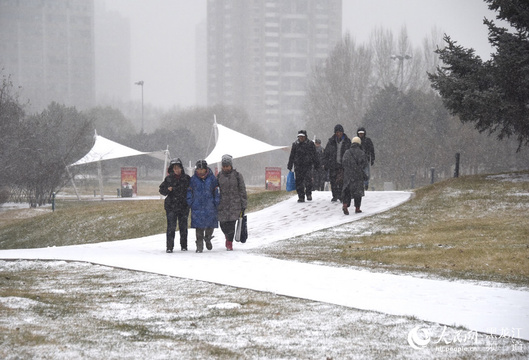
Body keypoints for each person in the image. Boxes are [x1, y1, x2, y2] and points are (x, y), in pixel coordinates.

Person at [186, 159, 220, 253]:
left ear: (206, 169)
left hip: (210, 206)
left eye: (202, 169)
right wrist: (190, 202)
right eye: (198, 169)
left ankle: (208, 238)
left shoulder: (212, 178)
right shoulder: (193, 179)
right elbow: (189, 191)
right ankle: (199, 245)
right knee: (198, 227)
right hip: (197, 206)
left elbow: (216, 191)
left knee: (210, 225)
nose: (200, 171)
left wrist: (216, 201)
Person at [159, 158, 190, 253]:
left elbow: (191, 190)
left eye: (178, 168)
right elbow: (162, 191)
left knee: (183, 227)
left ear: (181, 168)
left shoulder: (186, 178)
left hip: (183, 206)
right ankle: (169, 247)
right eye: (174, 168)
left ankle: (184, 245)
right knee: (171, 227)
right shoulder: (168, 179)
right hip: (171, 206)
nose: (176, 170)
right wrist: (168, 190)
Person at [217, 154, 247, 251]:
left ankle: (229, 243)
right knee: (223, 224)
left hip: (235, 205)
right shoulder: (219, 176)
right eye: (224, 166)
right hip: (222, 205)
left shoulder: (237, 176)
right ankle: (227, 236)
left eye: (227, 166)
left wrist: (243, 204)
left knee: (231, 225)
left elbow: (242, 190)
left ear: (231, 166)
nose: (225, 168)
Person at [287, 130, 320, 203]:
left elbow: (314, 155)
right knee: (299, 182)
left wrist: (316, 164)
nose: (301, 138)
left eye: (302, 137)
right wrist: (290, 165)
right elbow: (292, 155)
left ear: (305, 137)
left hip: (307, 165)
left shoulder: (310, 144)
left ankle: (308, 193)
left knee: (308, 181)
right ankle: (301, 196)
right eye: (299, 137)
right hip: (298, 166)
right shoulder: (295, 144)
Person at [323, 124, 352, 202]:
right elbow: (326, 153)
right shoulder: (331, 142)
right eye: (337, 132)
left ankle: (341, 195)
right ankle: (335, 195)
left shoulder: (347, 141)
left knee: (342, 181)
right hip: (333, 164)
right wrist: (325, 163)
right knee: (333, 181)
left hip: (344, 165)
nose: (338, 134)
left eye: (340, 132)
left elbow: (350, 153)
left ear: (342, 132)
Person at [341, 137, 367, 215]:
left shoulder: (347, 152)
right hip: (358, 175)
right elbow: (364, 164)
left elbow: (343, 162)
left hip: (348, 175)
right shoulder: (361, 153)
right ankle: (357, 208)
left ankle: (345, 205)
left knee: (347, 191)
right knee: (358, 192)